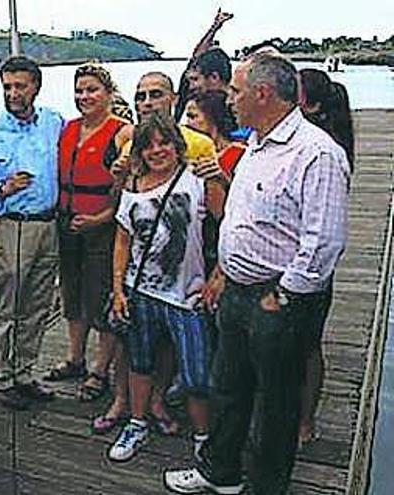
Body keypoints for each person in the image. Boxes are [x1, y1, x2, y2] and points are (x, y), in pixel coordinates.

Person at [164, 53, 350, 495]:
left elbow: (323, 242)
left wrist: (282, 295)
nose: (229, 99)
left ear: (263, 94)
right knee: (228, 385)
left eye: (236, 91)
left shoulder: (316, 153)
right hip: (237, 291)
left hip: (278, 298)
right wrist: (225, 272)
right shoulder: (256, 145)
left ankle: (267, 487)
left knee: (275, 403)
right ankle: (220, 472)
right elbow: (243, 219)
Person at [107, 113, 226, 463]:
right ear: (140, 152)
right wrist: (118, 290)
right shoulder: (132, 188)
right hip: (140, 291)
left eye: (165, 143)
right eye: (149, 146)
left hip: (187, 295)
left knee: (196, 373)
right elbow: (122, 242)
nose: (158, 151)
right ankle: (137, 422)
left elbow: (229, 227)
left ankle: (204, 437)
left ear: (178, 146)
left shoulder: (198, 180)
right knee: (140, 362)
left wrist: (218, 273)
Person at [0, 55, 64, 410]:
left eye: (19, 86)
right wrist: (3, 190)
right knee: (5, 305)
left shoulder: (54, 123)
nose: (13, 93)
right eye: (7, 86)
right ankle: (1, 377)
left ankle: (25, 371)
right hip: (10, 227)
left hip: (48, 224)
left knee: (38, 304)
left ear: (35, 86)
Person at [45, 61, 133, 408]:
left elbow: (129, 184)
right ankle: (75, 357)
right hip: (67, 226)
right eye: (80, 90)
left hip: (103, 228)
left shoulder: (122, 132)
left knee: (102, 298)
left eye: (92, 90)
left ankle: (100, 370)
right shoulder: (67, 130)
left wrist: (99, 219)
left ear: (108, 93)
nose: (85, 96)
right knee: (72, 294)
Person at [296, 69, 355, 446]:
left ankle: (305, 420)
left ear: (311, 104)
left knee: (307, 344)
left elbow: (325, 233)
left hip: (310, 268)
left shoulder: (324, 151)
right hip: (286, 263)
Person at [184, 90, 244, 176]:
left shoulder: (240, 153)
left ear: (213, 116)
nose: (188, 123)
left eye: (193, 116)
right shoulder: (187, 154)